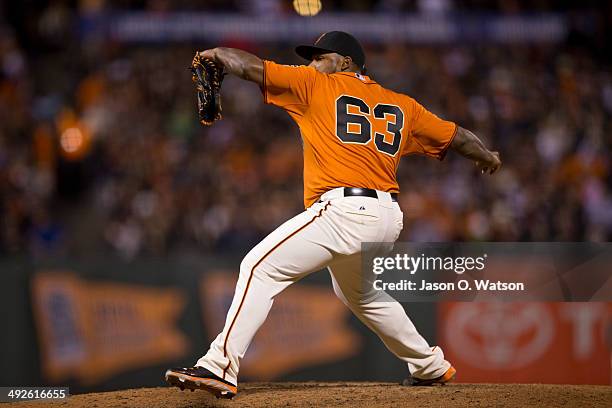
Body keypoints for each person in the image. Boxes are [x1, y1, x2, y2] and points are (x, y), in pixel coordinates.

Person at [165, 31, 501, 399]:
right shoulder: (403, 104)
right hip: (386, 216)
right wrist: (487, 157)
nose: (312, 64)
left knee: (260, 267)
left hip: (344, 210)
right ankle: (429, 366)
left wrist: (215, 52)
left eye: (319, 57)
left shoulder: (316, 84)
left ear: (344, 62)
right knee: (362, 295)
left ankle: (219, 366)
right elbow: (458, 137)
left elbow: (250, 67)